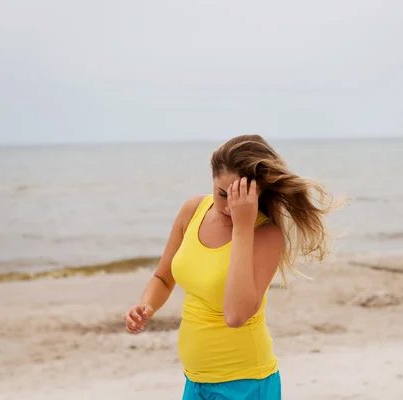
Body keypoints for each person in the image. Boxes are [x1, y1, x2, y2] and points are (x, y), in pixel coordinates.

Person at [124, 134, 339, 399]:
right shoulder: (193, 210)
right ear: (212, 179)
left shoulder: (265, 234)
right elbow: (163, 277)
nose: (228, 206)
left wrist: (243, 226)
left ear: (258, 194)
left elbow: (236, 316)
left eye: (241, 198)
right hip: (195, 381)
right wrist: (147, 306)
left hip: (245, 383)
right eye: (223, 194)